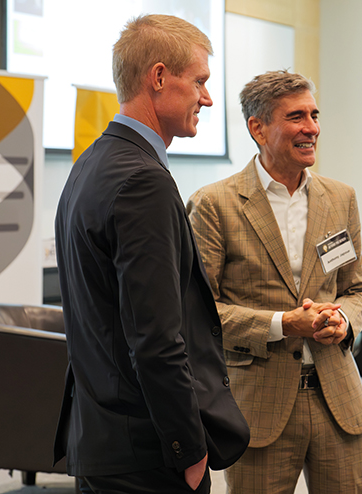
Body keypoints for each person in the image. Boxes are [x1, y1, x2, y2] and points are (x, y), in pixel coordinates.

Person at [53, 14, 249, 493]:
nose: (206, 97)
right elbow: (157, 339)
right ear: (159, 77)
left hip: (102, 442)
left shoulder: (89, 164)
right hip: (147, 457)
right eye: (199, 81)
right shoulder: (143, 181)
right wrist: (189, 449)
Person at [187, 70, 362, 493]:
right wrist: (284, 324)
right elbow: (200, 312)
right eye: (296, 117)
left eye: (314, 114)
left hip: (337, 400)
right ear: (258, 127)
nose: (312, 128)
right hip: (258, 408)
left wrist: (343, 320)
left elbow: (356, 289)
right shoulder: (214, 204)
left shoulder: (341, 198)